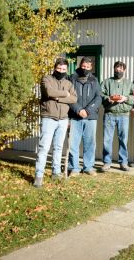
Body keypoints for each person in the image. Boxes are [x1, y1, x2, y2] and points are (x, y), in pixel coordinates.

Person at [33, 58, 77, 188]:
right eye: (59, 69)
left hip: (63, 119)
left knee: (58, 148)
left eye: (64, 69)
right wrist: (64, 94)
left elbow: (74, 98)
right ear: (54, 68)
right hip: (49, 118)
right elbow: (49, 92)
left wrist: (57, 98)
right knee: (44, 148)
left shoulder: (68, 83)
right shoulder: (46, 79)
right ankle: (38, 176)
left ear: (67, 70)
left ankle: (56, 172)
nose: (61, 71)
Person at [67, 57, 102, 177]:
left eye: (87, 67)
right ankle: (74, 168)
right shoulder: (71, 78)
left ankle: (88, 167)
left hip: (90, 117)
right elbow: (68, 96)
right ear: (80, 65)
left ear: (91, 68)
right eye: (83, 66)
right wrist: (78, 109)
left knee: (90, 143)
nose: (85, 69)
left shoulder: (94, 80)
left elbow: (98, 98)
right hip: (74, 116)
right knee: (73, 144)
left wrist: (87, 110)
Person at [100, 61, 134, 172]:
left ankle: (123, 163)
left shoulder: (129, 83)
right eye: (117, 69)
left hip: (124, 115)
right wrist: (108, 98)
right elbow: (100, 94)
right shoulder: (106, 82)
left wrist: (125, 98)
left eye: (121, 69)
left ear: (124, 70)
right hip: (109, 114)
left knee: (123, 140)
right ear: (114, 69)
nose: (118, 71)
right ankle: (107, 162)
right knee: (107, 140)